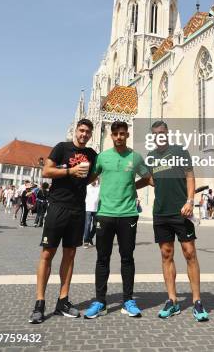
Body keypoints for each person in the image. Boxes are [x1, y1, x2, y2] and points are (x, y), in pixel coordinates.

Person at [137, 120, 209, 322]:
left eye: (162, 132)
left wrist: (190, 201)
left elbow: (190, 177)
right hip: (160, 212)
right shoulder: (151, 157)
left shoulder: (180, 151)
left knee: (190, 253)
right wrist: (130, 186)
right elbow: (149, 180)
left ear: (167, 133)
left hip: (182, 211)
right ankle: (172, 300)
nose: (159, 135)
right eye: (155, 133)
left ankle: (196, 301)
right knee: (166, 254)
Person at [29, 118, 97, 324]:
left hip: (77, 209)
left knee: (70, 255)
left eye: (87, 132)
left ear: (91, 134)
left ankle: (63, 301)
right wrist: (70, 171)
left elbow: (93, 176)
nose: (84, 134)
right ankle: (39, 303)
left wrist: (87, 178)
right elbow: (47, 171)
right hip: (58, 206)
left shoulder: (92, 154)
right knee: (47, 253)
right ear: (76, 131)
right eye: (82, 130)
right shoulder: (62, 148)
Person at [83, 121, 149, 319]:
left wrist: (132, 188)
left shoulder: (135, 157)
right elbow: (88, 178)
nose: (119, 137)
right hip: (105, 213)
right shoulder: (102, 157)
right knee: (102, 258)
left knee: (127, 258)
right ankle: (100, 301)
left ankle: (128, 300)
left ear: (127, 135)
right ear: (111, 136)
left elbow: (147, 178)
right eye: (116, 134)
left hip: (128, 214)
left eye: (123, 133)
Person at [83, 180, 99, 247]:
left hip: (97, 209)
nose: (94, 181)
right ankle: (86, 241)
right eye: (93, 179)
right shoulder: (87, 187)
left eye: (95, 179)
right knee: (88, 225)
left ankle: (90, 237)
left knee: (96, 226)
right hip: (88, 209)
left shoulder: (99, 187)